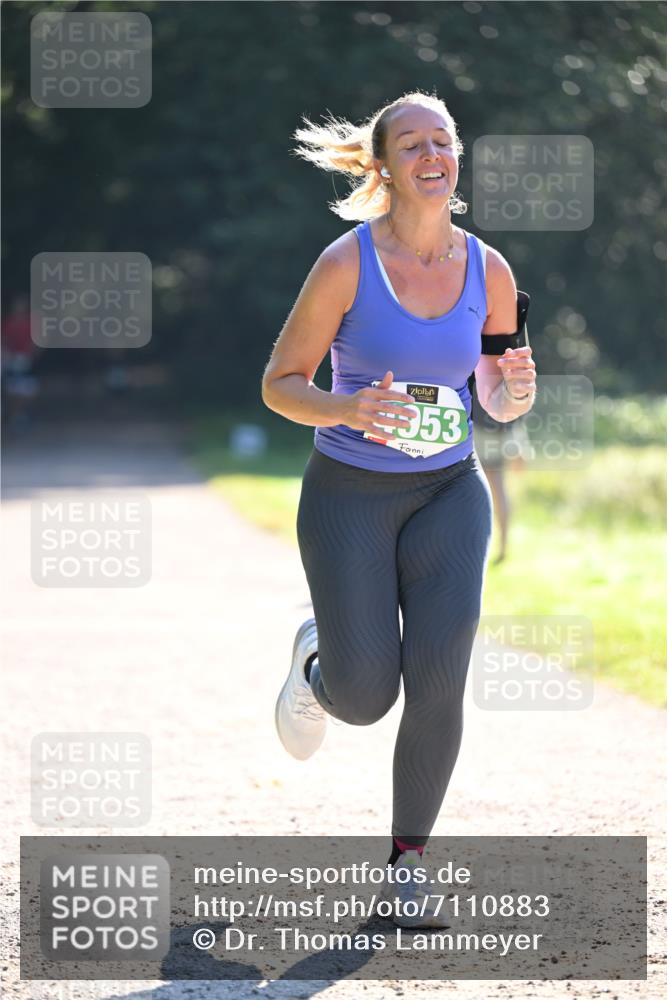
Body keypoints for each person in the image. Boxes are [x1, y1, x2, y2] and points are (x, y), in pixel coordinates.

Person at [262, 91, 536, 928]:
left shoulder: (489, 269)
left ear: (456, 157)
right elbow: (279, 387)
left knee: (440, 678)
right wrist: (346, 409)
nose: (430, 152)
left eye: (442, 139)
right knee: (366, 696)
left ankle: (406, 866)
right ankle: (318, 666)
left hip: (449, 491)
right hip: (349, 493)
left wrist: (515, 391)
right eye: (410, 142)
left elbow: (494, 390)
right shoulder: (345, 264)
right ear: (383, 166)